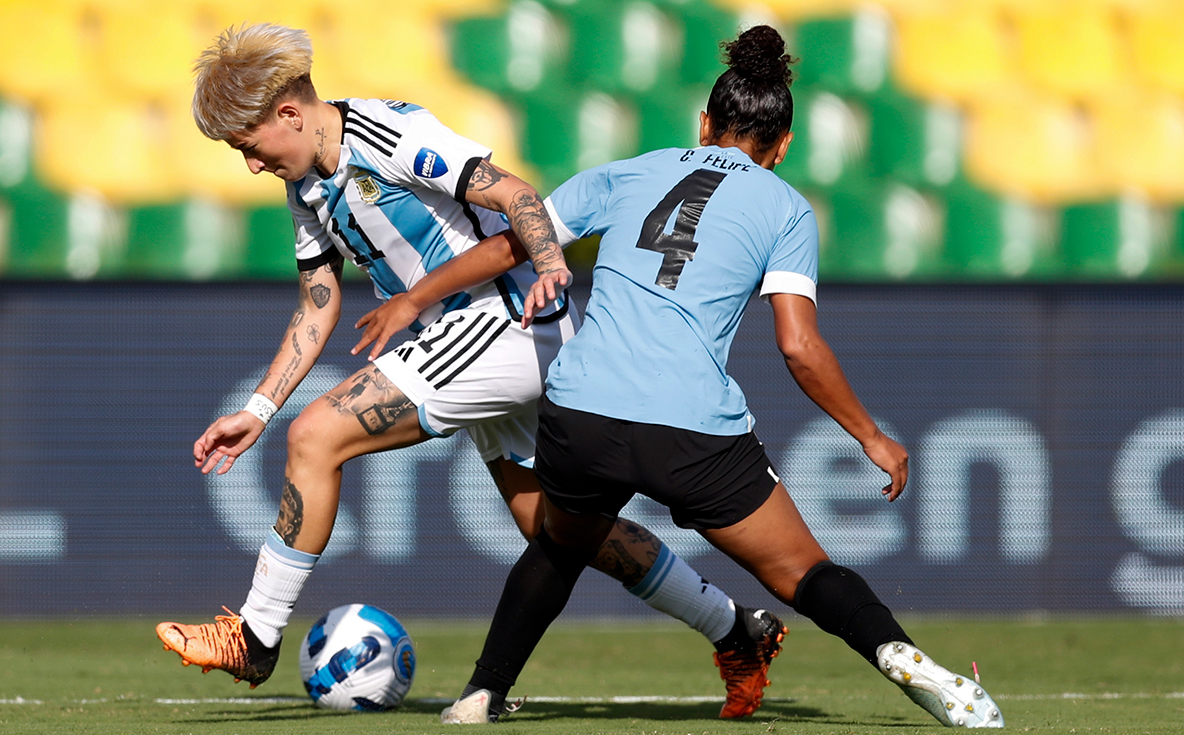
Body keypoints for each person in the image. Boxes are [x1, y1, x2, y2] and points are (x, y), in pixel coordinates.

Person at [154, 23, 787, 718]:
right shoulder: (305, 187)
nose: (250, 164)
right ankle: (736, 628)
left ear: (290, 114)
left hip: (501, 325)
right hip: (476, 339)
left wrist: (550, 264)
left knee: (317, 435)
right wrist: (259, 406)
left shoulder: (389, 134)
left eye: (250, 146)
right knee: (559, 532)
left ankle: (256, 635)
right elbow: (318, 301)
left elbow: (515, 193)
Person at [440, 24, 1004, 729]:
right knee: (802, 572)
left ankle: (481, 694)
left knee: (560, 543)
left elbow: (514, 238)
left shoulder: (630, 169)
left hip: (580, 409)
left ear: (704, 125)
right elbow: (799, 348)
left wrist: (413, 296)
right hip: (691, 429)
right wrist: (871, 435)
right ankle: (896, 652)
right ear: (785, 145)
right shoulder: (787, 208)